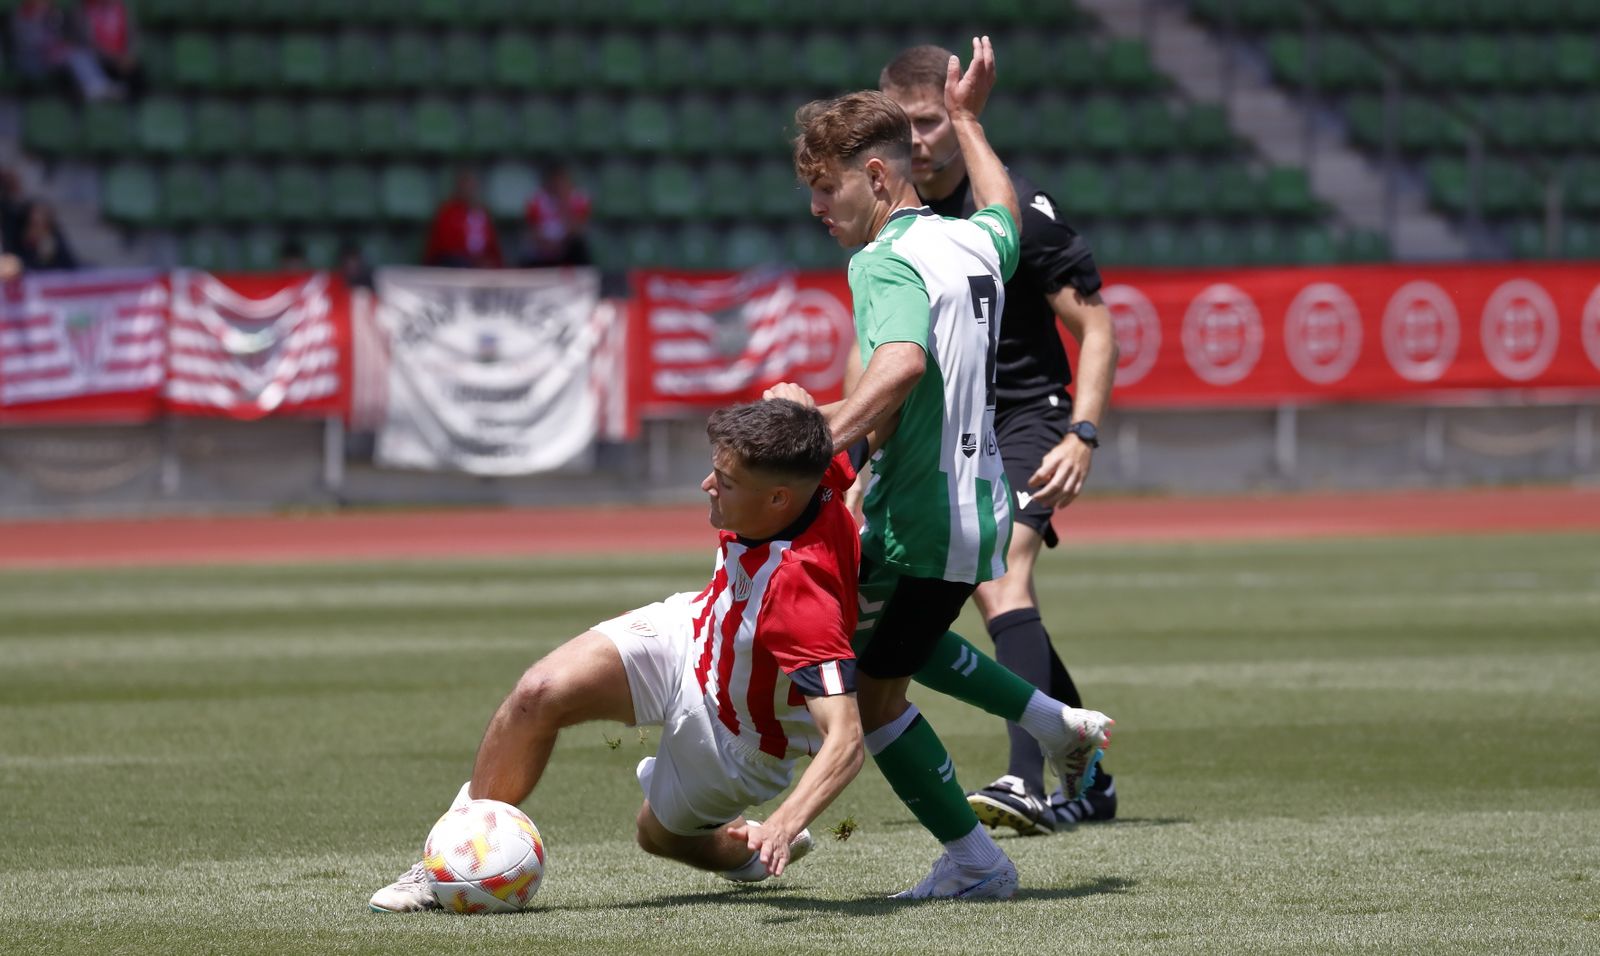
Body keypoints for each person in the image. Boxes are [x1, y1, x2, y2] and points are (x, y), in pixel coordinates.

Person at [781, 37, 1111, 901]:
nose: (816, 205)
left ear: (880, 180)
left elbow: (897, 366)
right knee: (867, 643)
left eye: (828, 186)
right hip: (978, 509)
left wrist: (819, 437)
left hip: (919, 511)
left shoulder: (880, 259)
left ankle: (976, 862)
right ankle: (1053, 722)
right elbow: (1003, 205)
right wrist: (966, 120)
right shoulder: (971, 243)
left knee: (869, 688)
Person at [369, 399, 866, 912]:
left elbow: (846, 739)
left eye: (727, 481)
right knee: (540, 692)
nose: (707, 485)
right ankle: (447, 862)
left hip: (737, 739)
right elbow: (894, 397)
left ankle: (748, 852)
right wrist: (800, 414)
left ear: (779, 500)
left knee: (657, 835)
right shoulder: (816, 463)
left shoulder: (801, 598)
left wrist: (786, 823)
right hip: (698, 627)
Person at [880, 45, 1121, 835]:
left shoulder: (1017, 209)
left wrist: (1082, 433)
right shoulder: (898, 216)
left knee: (1000, 576)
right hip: (953, 428)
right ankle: (1086, 768)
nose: (915, 139)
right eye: (902, 124)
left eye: (928, 120)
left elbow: (1096, 325)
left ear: (956, 116)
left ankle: (1024, 782)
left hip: (1027, 417)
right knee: (988, 593)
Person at [422, 170, 503, 269]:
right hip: (455, 263)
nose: (469, 190)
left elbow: (492, 247)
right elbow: (444, 247)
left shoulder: (483, 213)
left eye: (472, 186)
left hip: (480, 263)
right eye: (466, 186)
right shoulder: (447, 212)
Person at [522, 161, 592, 267]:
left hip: (567, 246)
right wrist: (547, 245)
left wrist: (564, 203)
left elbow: (578, 230)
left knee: (579, 246)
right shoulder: (536, 200)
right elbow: (532, 231)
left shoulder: (578, 199)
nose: (557, 185)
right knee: (528, 252)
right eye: (555, 181)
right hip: (543, 247)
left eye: (561, 180)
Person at [71, 0, 142, 99]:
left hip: (122, 60)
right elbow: (86, 42)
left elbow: (132, 35)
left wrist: (129, 55)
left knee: (136, 76)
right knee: (80, 59)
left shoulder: (121, 8)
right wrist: (112, 57)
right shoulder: (85, 9)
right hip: (100, 60)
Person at [17, 202, 77, 271]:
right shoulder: (21, 235)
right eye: (36, 213)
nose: (38, 217)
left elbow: (68, 261)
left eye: (42, 214)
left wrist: (51, 253)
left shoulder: (54, 234)